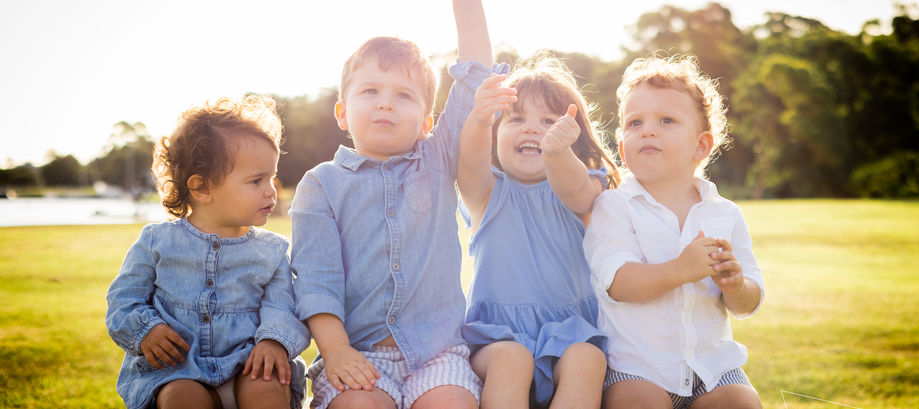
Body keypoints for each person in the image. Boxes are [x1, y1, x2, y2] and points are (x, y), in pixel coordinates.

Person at [288, 1, 507, 408]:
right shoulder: (321, 184)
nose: (385, 102)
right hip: (357, 354)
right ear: (342, 112)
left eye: (404, 95)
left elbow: (475, 74)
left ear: (427, 122)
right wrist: (336, 351)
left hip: (438, 353)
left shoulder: (438, 157)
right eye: (370, 91)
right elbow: (317, 282)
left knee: (450, 404)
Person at [582, 54, 765, 409]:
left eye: (666, 120)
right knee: (637, 404)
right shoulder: (615, 206)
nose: (647, 130)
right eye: (635, 123)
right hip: (638, 367)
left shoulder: (724, 213)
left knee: (740, 404)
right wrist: (680, 269)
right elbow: (618, 283)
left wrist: (736, 285)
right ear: (622, 148)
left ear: (701, 145)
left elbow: (749, 302)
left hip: (714, 367)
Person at [105, 96, 310, 409]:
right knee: (179, 397)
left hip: (249, 364)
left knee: (268, 386)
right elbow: (123, 300)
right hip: (177, 370)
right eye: (256, 180)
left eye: (272, 177)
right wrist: (147, 330)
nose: (272, 190)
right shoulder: (157, 242)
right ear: (202, 188)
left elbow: (283, 307)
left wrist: (273, 340)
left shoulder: (271, 251)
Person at [457, 54, 621, 409]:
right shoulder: (488, 193)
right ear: (497, 133)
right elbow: (468, 163)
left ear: (572, 139)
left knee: (587, 360)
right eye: (515, 119)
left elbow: (575, 191)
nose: (532, 129)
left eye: (550, 121)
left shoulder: (584, 188)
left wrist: (557, 152)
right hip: (496, 336)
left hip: (571, 331)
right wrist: (479, 118)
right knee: (511, 360)